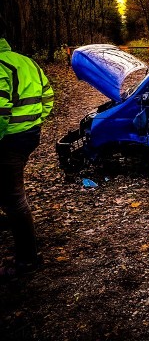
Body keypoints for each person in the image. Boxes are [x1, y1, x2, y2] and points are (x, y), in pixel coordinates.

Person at [0, 36, 54, 278]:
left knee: (14, 198)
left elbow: (0, 111)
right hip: (28, 135)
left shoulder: (2, 65)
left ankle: (27, 259)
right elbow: (48, 95)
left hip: (7, 139)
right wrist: (36, 121)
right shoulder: (26, 62)